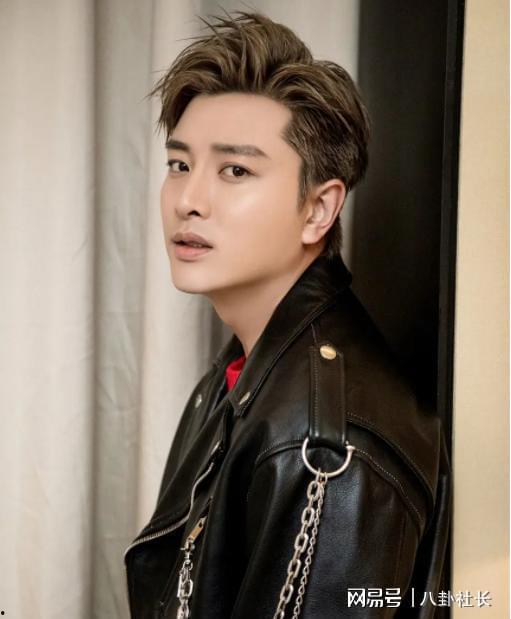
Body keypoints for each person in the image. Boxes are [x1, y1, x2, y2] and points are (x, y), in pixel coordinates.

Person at [124, 10, 451, 618]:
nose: (188, 200)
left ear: (318, 210)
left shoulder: (325, 450)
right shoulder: (241, 369)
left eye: (236, 170)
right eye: (179, 164)